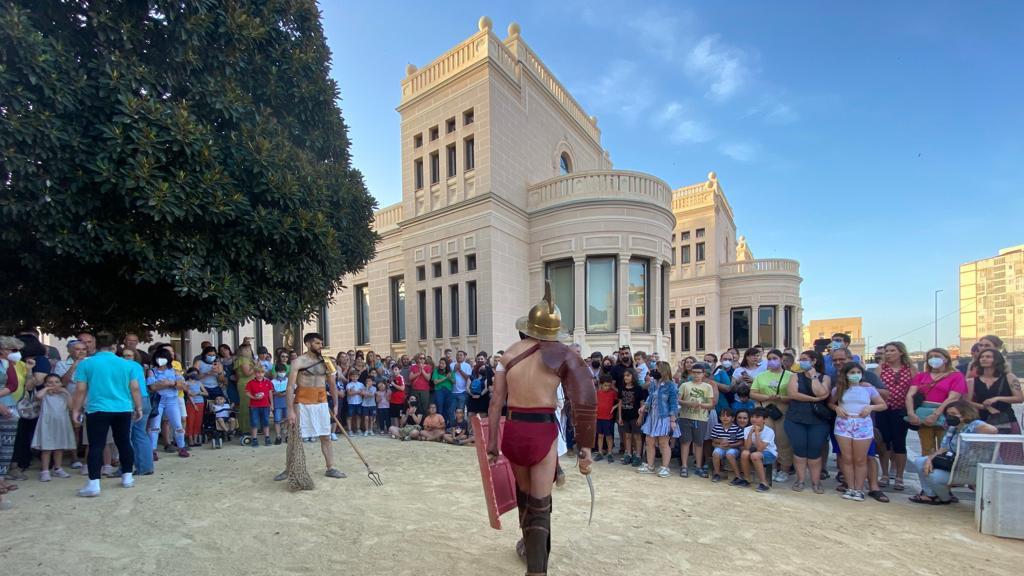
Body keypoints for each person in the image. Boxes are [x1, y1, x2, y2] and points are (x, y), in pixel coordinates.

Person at [485, 283, 596, 576]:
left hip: (514, 429)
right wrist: (585, 448)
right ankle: (537, 571)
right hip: (542, 431)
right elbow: (584, 400)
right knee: (540, 502)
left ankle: (527, 546)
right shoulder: (564, 355)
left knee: (524, 495)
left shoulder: (508, 354)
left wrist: (492, 443)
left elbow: (496, 402)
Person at [71, 332, 143, 497]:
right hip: (123, 408)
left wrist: (76, 409)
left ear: (96, 345)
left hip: (98, 408)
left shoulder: (87, 364)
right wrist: (138, 407)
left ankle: (94, 483)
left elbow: (81, 390)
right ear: (115, 345)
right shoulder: (127, 364)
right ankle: (127, 477)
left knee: (96, 445)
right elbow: (135, 388)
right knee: (124, 442)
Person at [274, 333, 344, 483]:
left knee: (325, 436)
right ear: (308, 344)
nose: (320, 346)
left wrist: (336, 405)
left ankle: (330, 467)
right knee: (295, 437)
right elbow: (290, 387)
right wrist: (290, 410)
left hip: (321, 402)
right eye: (317, 343)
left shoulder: (327, 362)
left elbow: (332, 385)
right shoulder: (298, 362)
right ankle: (289, 469)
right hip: (302, 403)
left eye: (321, 343)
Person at [908, 400, 997, 504]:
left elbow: (992, 430)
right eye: (948, 414)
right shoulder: (953, 428)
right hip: (954, 463)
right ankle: (930, 495)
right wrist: (929, 460)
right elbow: (943, 449)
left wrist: (974, 440)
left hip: (970, 467)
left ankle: (945, 498)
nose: (950, 417)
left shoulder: (974, 424)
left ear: (965, 414)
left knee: (934, 476)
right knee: (920, 462)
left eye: (953, 414)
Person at [831, 363, 885, 502]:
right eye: (852, 372)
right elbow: (830, 403)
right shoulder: (839, 389)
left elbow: (882, 404)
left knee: (860, 459)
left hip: (862, 424)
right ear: (846, 374)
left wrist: (871, 407)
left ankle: (859, 489)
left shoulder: (868, 389)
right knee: (847, 458)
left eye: (858, 372)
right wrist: (836, 408)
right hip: (844, 424)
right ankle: (851, 487)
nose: (855, 375)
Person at [783, 350, 832, 494]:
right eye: (801, 359)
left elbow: (822, 393)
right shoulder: (794, 376)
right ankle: (800, 480)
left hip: (818, 420)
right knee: (799, 449)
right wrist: (813, 399)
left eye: (804, 359)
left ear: (814, 361)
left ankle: (816, 482)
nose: (801, 361)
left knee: (815, 451)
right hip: (796, 418)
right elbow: (793, 394)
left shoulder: (825, 378)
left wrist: (814, 377)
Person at [906, 348, 966, 455]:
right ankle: (927, 469)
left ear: (946, 359)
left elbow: (953, 397)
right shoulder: (921, 376)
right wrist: (911, 413)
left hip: (945, 414)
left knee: (945, 447)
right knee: (926, 448)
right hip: (923, 415)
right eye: (930, 357)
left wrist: (936, 414)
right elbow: (910, 395)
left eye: (937, 356)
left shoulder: (956, 376)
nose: (933, 359)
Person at [10, 333, 51, 479]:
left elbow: (34, 383)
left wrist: (28, 370)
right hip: (14, 402)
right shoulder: (17, 363)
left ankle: (21, 462)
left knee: (25, 433)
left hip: (29, 403)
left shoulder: (35, 362)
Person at [750, 349, 794, 483]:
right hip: (765, 411)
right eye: (769, 358)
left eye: (775, 358)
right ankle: (772, 467)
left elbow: (794, 395)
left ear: (781, 359)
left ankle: (785, 469)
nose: (772, 361)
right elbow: (753, 393)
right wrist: (768, 397)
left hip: (783, 411)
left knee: (783, 440)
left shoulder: (791, 376)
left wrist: (781, 397)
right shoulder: (761, 376)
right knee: (767, 440)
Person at [876, 342, 915, 491]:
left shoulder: (910, 370)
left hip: (900, 410)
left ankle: (899, 476)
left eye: (892, 350)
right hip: (883, 409)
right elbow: (875, 388)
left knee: (899, 443)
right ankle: (884, 474)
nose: (888, 353)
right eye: (886, 351)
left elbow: (915, 390)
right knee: (884, 442)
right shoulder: (881, 369)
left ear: (901, 352)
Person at [636, 363, 679, 477]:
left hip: (664, 417)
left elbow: (674, 404)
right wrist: (644, 407)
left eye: (657, 369)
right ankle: (650, 466)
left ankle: (665, 467)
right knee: (649, 441)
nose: (655, 371)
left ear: (663, 371)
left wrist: (673, 420)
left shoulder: (671, 385)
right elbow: (650, 397)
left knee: (663, 443)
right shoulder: (654, 384)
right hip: (652, 416)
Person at [31, 374, 76, 481]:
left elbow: (71, 406)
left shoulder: (64, 394)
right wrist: (46, 388)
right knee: (46, 448)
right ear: (45, 384)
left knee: (59, 447)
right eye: (50, 382)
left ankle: (58, 468)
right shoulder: (45, 394)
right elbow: (38, 396)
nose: (54, 384)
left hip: (61, 423)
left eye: (56, 382)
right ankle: (45, 470)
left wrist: (66, 393)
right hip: (47, 423)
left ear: (61, 383)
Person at [967, 348, 1022, 434]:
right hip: (982, 421)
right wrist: (985, 407)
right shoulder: (971, 381)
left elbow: (1019, 398)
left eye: (988, 357)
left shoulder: (1009, 377)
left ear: (997, 360)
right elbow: (966, 402)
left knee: (1008, 447)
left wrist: (997, 398)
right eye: (982, 357)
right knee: (982, 447)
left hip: (1006, 419)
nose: (984, 359)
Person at [147, 348, 189, 458]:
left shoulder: (174, 371)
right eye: (158, 358)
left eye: (163, 358)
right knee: (155, 427)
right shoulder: (152, 371)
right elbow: (152, 387)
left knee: (178, 425)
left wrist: (170, 383)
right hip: (158, 401)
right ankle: (152, 450)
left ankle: (181, 447)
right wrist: (170, 384)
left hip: (172, 400)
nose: (160, 360)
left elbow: (183, 386)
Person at [678, 362, 715, 478]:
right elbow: (678, 400)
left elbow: (711, 404)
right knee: (685, 442)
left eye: (699, 373)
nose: (696, 375)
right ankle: (684, 466)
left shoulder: (707, 387)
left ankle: (698, 466)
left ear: (704, 374)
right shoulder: (685, 385)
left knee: (699, 443)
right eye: (694, 372)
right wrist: (688, 403)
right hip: (686, 417)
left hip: (701, 417)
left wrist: (701, 405)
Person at [738, 407, 778, 492]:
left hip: (769, 453)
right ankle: (747, 479)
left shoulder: (769, 431)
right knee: (744, 453)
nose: (753, 419)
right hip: (755, 452)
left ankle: (764, 483)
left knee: (755, 455)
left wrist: (756, 434)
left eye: (757, 417)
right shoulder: (747, 429)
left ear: (764, 419)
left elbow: (760, 448)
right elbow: (747, 447)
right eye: (752, 417)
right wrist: (750, 433)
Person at [617, 369, 645, 467]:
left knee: (637, 436)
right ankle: (628, 454)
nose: (626, 377)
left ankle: (637, 455)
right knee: (627, 436)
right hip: (625, 416)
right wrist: (620, 417)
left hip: (635, 416)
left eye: (628, 375)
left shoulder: (638, 389)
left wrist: (640, 417)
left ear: (633, 376)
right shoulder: (622, 388)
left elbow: (642, 404)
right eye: (625, 376)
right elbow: (620, 403)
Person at [710, 408, 743, 482]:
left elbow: (741, 442)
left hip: (733, 448)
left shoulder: (737, 428)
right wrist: (720, 441)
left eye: (728, 416)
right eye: (723, 416)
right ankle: (717, 474)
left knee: (730, 454)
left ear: (733, 418)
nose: (725, 417)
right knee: (716, 453)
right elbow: (713, 439)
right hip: (721, 447)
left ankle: (738, 476)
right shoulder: (716, 427)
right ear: (719, 417)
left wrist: (730, 445)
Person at [245, 365, 274, 447]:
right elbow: (247, 392)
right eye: (258, 372)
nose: (260, 374)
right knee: (254, 422)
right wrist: (253, 397)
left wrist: (271, 404)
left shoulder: (268, 382)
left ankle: (267, 438)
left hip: (265, 405)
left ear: (264, 373)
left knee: (266, 422)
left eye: (262, 372)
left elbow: (270, 393)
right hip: (254, 406)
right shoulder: (251, 382)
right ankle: (254, 439)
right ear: (254, 373)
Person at [594, 373, 619, 462]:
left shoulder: (613, 393)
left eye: (609, 386)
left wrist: (614, 407)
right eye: (605, 385)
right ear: (601, 385)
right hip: (599, 417)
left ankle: (609, 453)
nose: (607, 387)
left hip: (608, 418)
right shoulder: (598, 393)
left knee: (608, 436)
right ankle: (600, 452)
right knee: (600, 436)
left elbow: (620, 401)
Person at [233, 343, 256, 432]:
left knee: (252, 404)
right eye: (245, 350)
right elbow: (247, 373)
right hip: (245, 383)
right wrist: (256, 366)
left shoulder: (250, 360)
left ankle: (252, 426)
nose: (248, 351)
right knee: (246, 405)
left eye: (249, 349)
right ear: (240, 352)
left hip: (252, 382)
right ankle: (244, 428)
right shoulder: (242, 360)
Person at [431, 358, 455, 431]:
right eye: (440, 363)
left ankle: (446, 427)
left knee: (447, 410)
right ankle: (438, 427)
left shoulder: (450, 371)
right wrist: (445, 378)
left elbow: (454, 382)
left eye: (443, 363)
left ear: (446, 365)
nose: (441, 365)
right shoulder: (436, 371)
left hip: (448, 392)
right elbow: (435, 382)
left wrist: (450, 378)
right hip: (439, 391)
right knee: (439, 408)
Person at [467, 351, 492, 419]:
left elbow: (488, 385)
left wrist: (480, 395)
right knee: (471, 418)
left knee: (482, 419)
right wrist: (472, 394)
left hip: (483, 398)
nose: (480, 360)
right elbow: (469, 383)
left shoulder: (489, 369)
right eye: (478, 359)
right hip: (472, 398)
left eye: (481, 359)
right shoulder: (473, 369)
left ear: (485, 359)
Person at [451, 350, 472, 425]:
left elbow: (468, 378)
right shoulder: (451, 365)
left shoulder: (467, 365)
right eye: (457, 355)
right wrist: (454, 370)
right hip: (452, 392)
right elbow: (449, 377)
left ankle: (461, 428)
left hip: (463, 392)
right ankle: (452, 428)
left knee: (460, 412)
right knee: (451, 412)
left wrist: (460, 370)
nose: (459, 356)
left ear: (464, 357)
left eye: (460, 355)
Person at [271, 365, 289, 444]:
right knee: (277, 420)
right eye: (280, 372)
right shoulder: (273, 382)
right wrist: (276, 393)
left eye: (283, 371)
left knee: (287, 419)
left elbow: (293, 389)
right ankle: (278, 436)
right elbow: (271, 392)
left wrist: (286, 392)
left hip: (287, 402)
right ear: (277, 372)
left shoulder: (288, 380)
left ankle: (287, 435)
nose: (282, 373)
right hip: (277, 403)